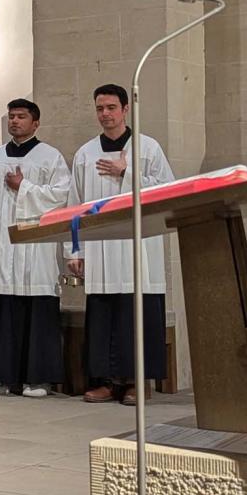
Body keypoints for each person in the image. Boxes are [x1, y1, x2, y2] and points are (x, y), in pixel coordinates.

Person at [66, 83, 174, 405]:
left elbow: (168, 190)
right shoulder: (86, 154)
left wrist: (127, 172)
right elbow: (76, 204)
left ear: (126, 110)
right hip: (100, 249)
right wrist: (76, 249)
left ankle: (137, 382)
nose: (105, 114)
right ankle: (108, 381)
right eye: (100, 108)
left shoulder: (147, 148)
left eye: (111, 108)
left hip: (137, 249)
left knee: (136, 314)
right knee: (104, 317)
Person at [0, 99, 71, 397]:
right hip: (2, 248)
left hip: (36, 248)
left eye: (21, 117)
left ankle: (37, 378)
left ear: (35, 123)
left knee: (37, 310)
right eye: (11, 117)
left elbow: (62, 197)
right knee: (5, 312)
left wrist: (23, 187)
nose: (14, 121)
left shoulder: (50, 158)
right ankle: (4, 376)